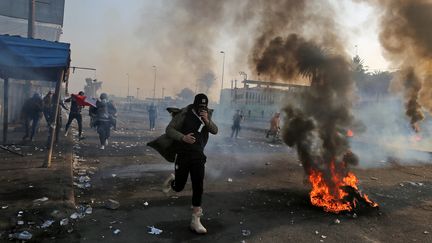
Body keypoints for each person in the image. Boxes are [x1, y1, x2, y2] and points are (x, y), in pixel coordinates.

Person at [162, 93, 218, 234]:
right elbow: (169, 130)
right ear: (194, 104)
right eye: (200, 106)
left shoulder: (207, 115)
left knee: (198, 185)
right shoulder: (184, 114)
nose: (202, 108)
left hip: (198, 156)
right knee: (179, 187)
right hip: (183, 155)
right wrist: (183, 137)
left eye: (204, 106)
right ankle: (173, 180)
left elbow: (215, 130)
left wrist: (207, 120)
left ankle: (195, 220)